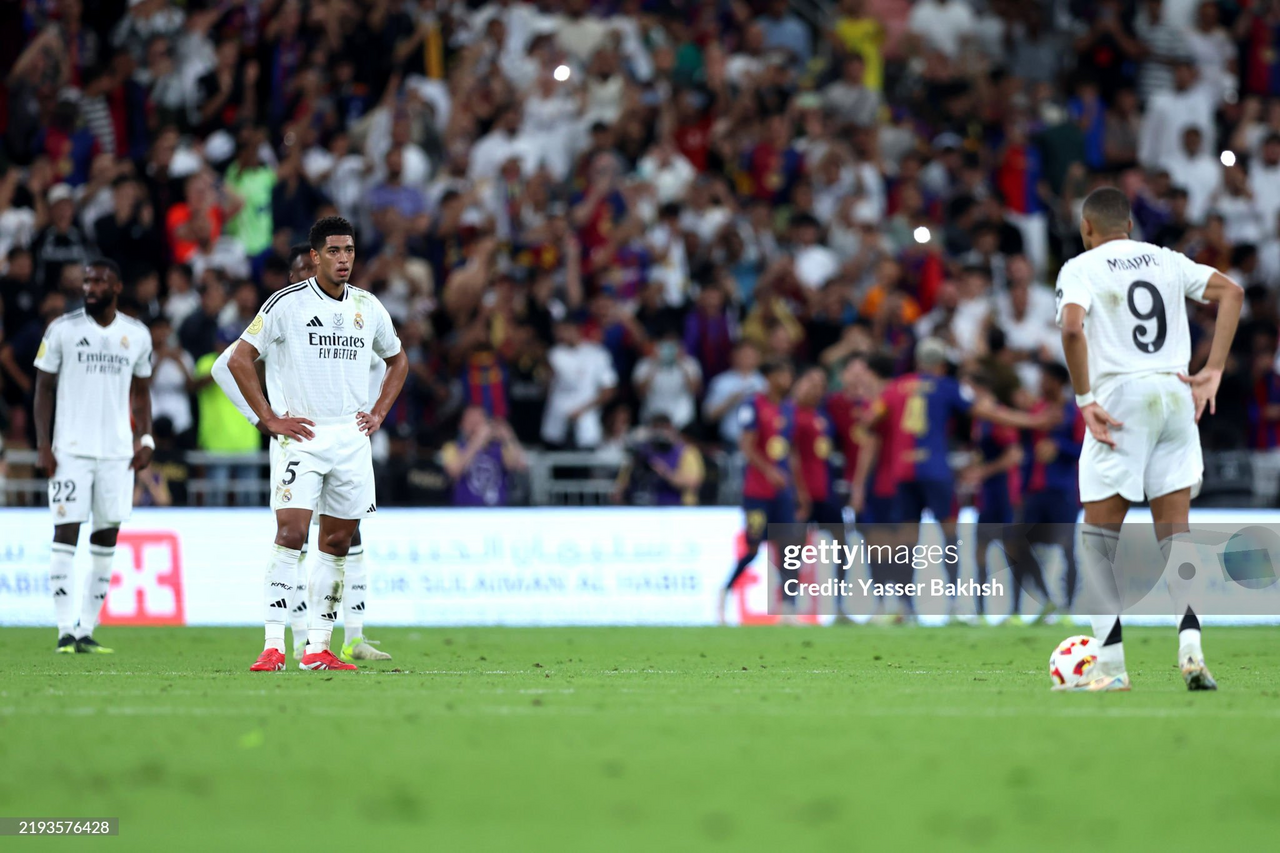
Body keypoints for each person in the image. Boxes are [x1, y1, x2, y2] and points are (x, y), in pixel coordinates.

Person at [1055, 186, 1243, 691]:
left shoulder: (1080, 267)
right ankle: (1191, 651)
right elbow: (1233, 293)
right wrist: (1214, 369)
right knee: (1175, 538)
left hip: (1121, 399)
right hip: (1175, 394)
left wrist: (1083, 398)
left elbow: (1072, 329)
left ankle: (1112, 668)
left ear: (1087, 228)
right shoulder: (1167, 260)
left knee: (1097, 540)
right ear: (1130, 227)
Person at [229, 216, 407, 673]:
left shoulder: (368, 306)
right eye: (333, 251)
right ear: (315, 256)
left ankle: (318, 648)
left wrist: (380, 412)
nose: (343, 258)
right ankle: (273, 645)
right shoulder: (286, 304)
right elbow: (238, 359)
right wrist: (269, 418)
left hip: (351, 439)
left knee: (336, 542)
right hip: (303, 438)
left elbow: (398, 359)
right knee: (290, 533)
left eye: (348, 250)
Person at [32, 259, 153, 653]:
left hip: (118, 454)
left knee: (106, 539)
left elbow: (141, 391)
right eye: (86, 280)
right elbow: (43, 390)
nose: (89, 286)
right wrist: (43, 445)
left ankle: (86, 629)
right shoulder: (62, 330)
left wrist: (146, 439)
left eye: (98, 280)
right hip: (70, 452)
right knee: (65, 533)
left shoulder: (135, 335)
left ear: (116, 286)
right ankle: (65, 630)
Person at [719, 360, 806, 622]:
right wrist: (769, 472)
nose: (785, 378)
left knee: (789, 547)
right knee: (754, 547)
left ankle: (788, 608)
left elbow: (790, 451)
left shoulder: (790, 409)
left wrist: (799, 489)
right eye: (780, 372)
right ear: (768, 377)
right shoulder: (753, 405)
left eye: (788, 373)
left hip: (783, 493)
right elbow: (746, 445)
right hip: (757, 491)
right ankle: (725, 592)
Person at [441, 406, 528, 507]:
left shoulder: (499, 448)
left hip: (497, 511)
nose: (474, 426)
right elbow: (454, 471)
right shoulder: (452, 447)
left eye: (478, 421)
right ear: (461, 425)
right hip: (464, 512)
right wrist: (478, 441)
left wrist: (508, 437)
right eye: (470, 422)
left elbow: (520, 465)